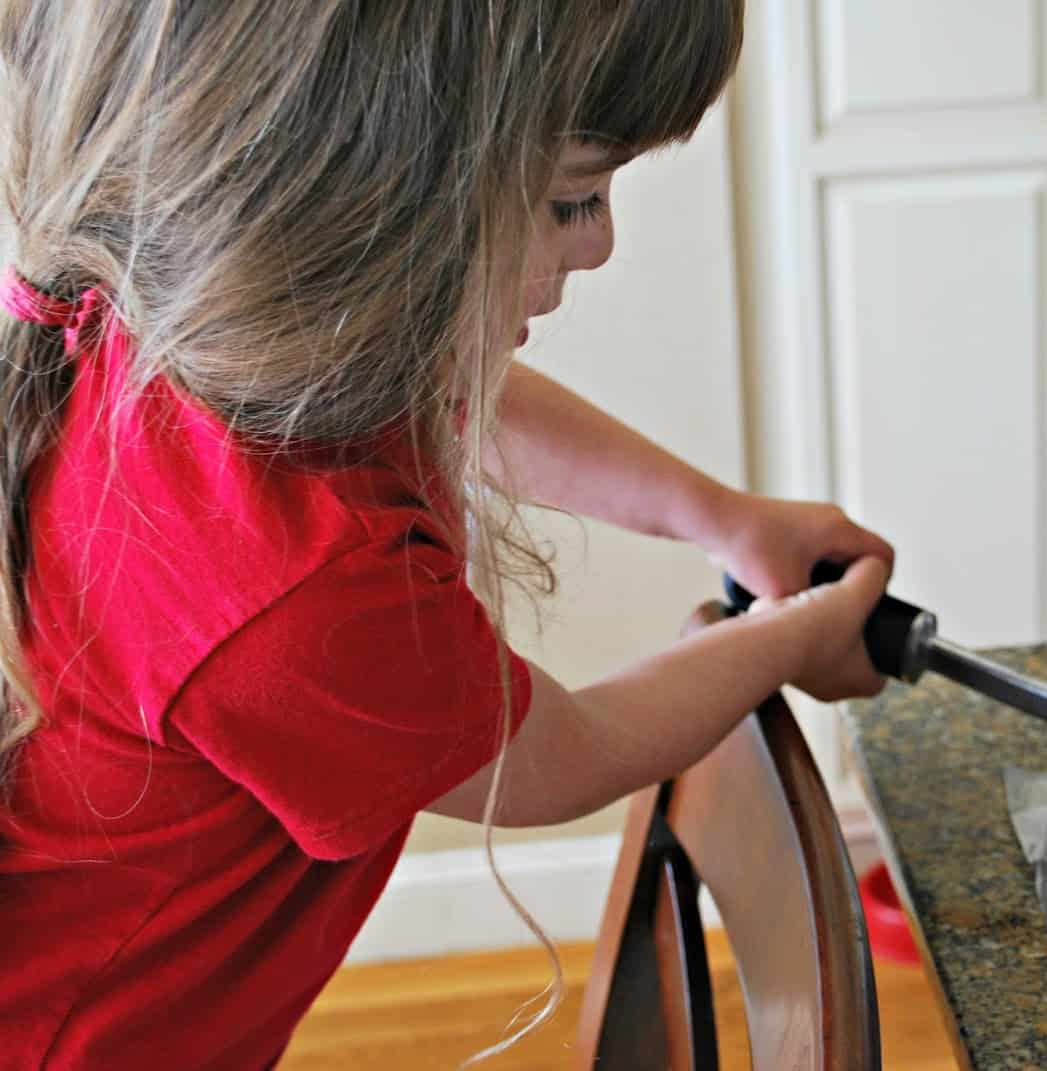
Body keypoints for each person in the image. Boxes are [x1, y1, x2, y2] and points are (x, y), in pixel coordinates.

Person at [0, 2, 893, 1067]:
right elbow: (559, 757)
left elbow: (461, 399)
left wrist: (723, 518)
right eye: (573, 199)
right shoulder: (295, 591)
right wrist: (794, 637)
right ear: (354, 201)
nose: (601, 243)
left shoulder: (208, 335)